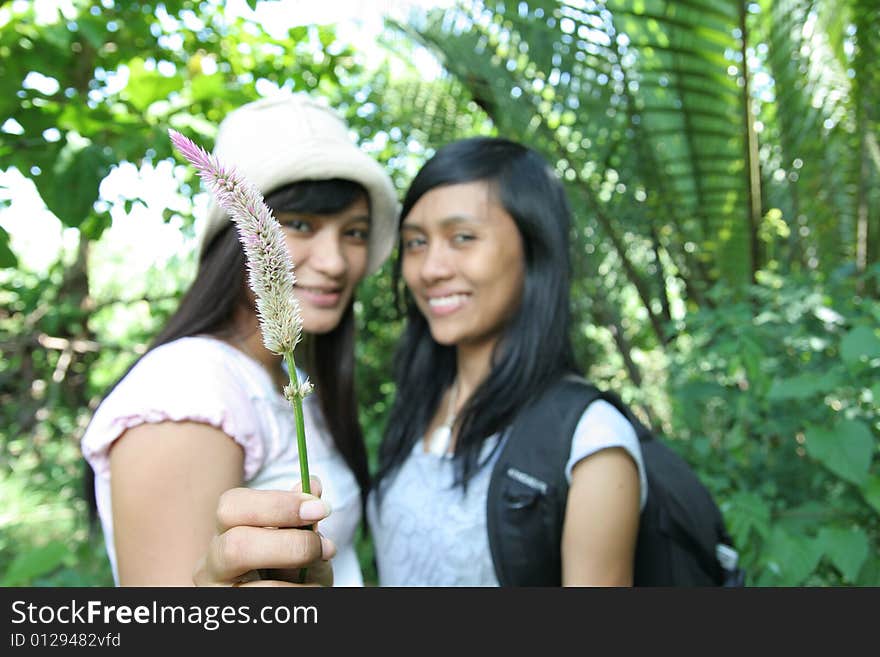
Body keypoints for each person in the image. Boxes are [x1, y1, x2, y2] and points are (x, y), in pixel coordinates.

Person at [199, 136, 648, 587]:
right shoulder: (419, 409)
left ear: (534, 251)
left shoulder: (590, 440)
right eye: (415, 242)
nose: (430, 268)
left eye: (463, 237)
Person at [81, 93, 398, 586]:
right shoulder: (188, 389)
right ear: (243, 240)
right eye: (298, 224)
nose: (336, 261)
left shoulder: (283, 377)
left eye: (355, 232)